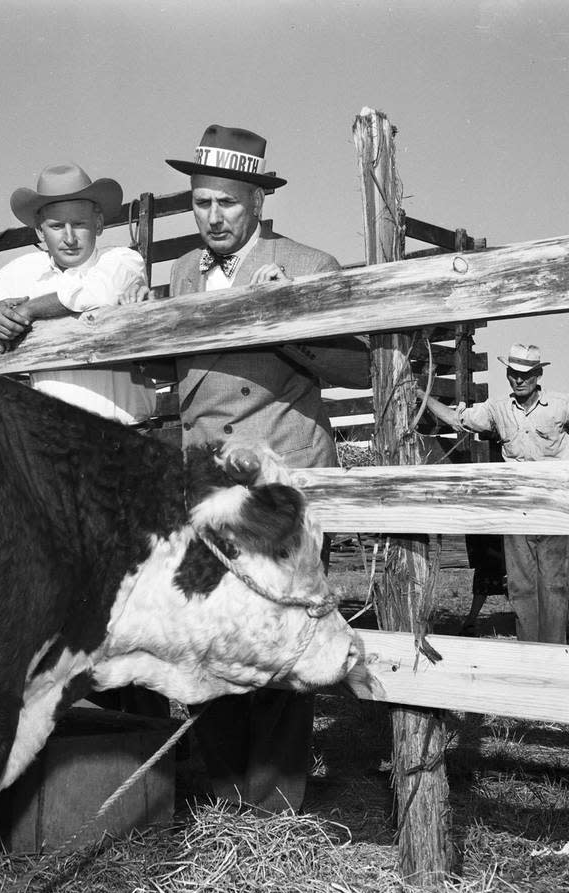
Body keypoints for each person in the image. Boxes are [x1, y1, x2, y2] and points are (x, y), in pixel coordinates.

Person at [128, 124, 370, 813]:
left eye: (227, 203)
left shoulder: (309, 264)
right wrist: (143, 329)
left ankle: (276, 804)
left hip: (278, 479)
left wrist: (286, 316)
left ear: (258, 202)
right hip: (204, 483)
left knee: (278, 631)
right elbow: (163, 378)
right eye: (201, 202)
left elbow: (361, 365)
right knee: (211, 634)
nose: (212, 216)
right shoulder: (177, 274)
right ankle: (225, 791)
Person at [418, 344, 569, 644]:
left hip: (554, 507)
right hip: (517, 508)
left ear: (538, 375)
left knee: (554, 584)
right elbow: (457, 420)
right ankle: (530, 652)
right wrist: (421, 395)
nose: (519, 380)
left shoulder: (561, 405)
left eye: (526, 374)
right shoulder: (498, 409)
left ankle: (554, 651)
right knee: (521, 586)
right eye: (513, 374)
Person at [0, 162, 155, 426]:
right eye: (57, 226)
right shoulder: (24, 270)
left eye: (79, 224)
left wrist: (29, 310)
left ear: (99, 224)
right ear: (39, 231)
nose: (69, 238)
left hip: (126, 433)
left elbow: (96, 292)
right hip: (55, 439)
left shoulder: (122, 259)